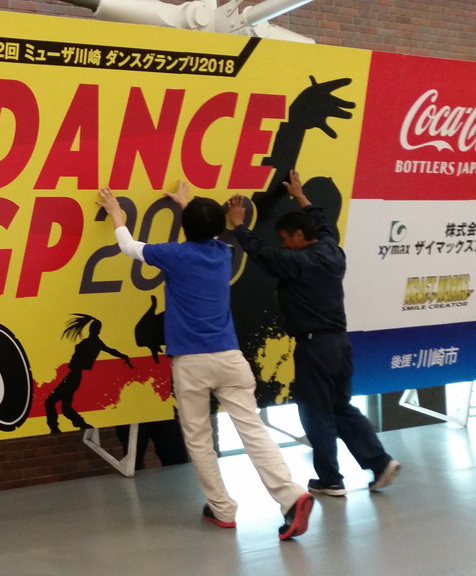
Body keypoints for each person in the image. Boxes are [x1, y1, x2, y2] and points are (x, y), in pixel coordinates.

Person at [97, 182, 314, 541]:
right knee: (253, 430)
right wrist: (188, 205)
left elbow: (128, 246)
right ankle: (291, 495)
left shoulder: (174, 254)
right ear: (217, 227)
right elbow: (204, 229)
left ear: (186, 226)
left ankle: (222, 508)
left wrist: (117, 213)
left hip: (192, 362)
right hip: (230, 358)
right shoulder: (223, 252)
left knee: (198, 437)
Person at [227, 170, 401, 496]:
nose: (283, 244)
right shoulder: (333, 250)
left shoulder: (299, 262)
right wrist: (301, 197)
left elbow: (263, 253)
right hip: (340, 344)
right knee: (341, 406)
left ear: (297, 235)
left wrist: (239, 225)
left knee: (315, 412)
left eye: (285, 238)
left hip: (314, 347)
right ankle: (380, 462)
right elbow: (323, 225)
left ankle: (330, 479)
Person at [45, 314, 132, 433]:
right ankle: (81, 424)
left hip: (73, 376)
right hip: (73, 376)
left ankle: (56, 427)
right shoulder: (94, 342)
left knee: (50, 402)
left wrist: (123, 356)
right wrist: (123, 356)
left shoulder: (95, 342)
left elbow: (111, 350)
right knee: (65, 407)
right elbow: (110, 350)